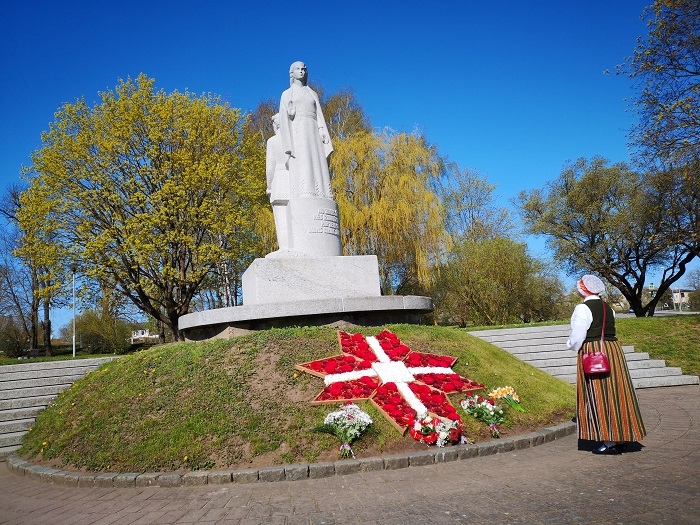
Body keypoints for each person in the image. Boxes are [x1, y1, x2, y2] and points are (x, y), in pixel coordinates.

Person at [566, 274, 646, 454]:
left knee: (599, 393)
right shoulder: (608, 307)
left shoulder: (582, 308)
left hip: (594, 352)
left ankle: (610, 442)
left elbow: (578, 337)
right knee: (617, 392)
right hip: (613, 351)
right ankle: (622, 436)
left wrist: (570, 345)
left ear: (583, 290)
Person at [278, 61, 334, 200]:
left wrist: (321, 130)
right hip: (298, 130)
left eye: (304, 69)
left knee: (316, 158)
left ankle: (323, 191)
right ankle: (305, 190)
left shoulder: (312, 92)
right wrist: (290, 113)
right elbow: (284, 119)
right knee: (304, 159)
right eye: (298, 69)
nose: (301, 71)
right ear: (292, 73)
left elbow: (319, 114)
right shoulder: (287, 94)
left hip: (313, 128)